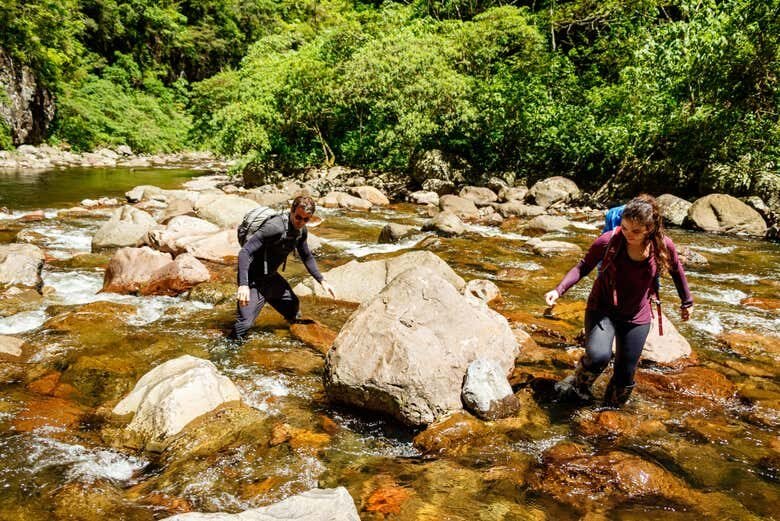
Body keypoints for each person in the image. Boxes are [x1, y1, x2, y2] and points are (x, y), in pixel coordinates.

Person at [544, 195, 693, 406]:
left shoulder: (663, 245)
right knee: (598, 356)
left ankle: (609, 412)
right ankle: (577, 387)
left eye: (635, 231)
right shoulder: (608, 241)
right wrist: (558, 290)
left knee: (625, 374)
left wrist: (686, 302)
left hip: (636, 315)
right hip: (602, 308)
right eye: (624, 228)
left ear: (649, 228)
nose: (628, 235)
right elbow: (583, 266)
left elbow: (677, 271)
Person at [232, 195, 335, 340]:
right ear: (292, 211)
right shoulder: (274, 227)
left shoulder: (301, 232)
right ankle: (226, 350)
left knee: (293, 308)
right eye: (298, 217)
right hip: (253, 279)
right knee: (245, 325)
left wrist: (322, 280)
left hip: (271, 278)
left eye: (306, 219)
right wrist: (243, 285)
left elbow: (306, 256)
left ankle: (291, 338)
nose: (301, 222)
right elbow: (245, 252)